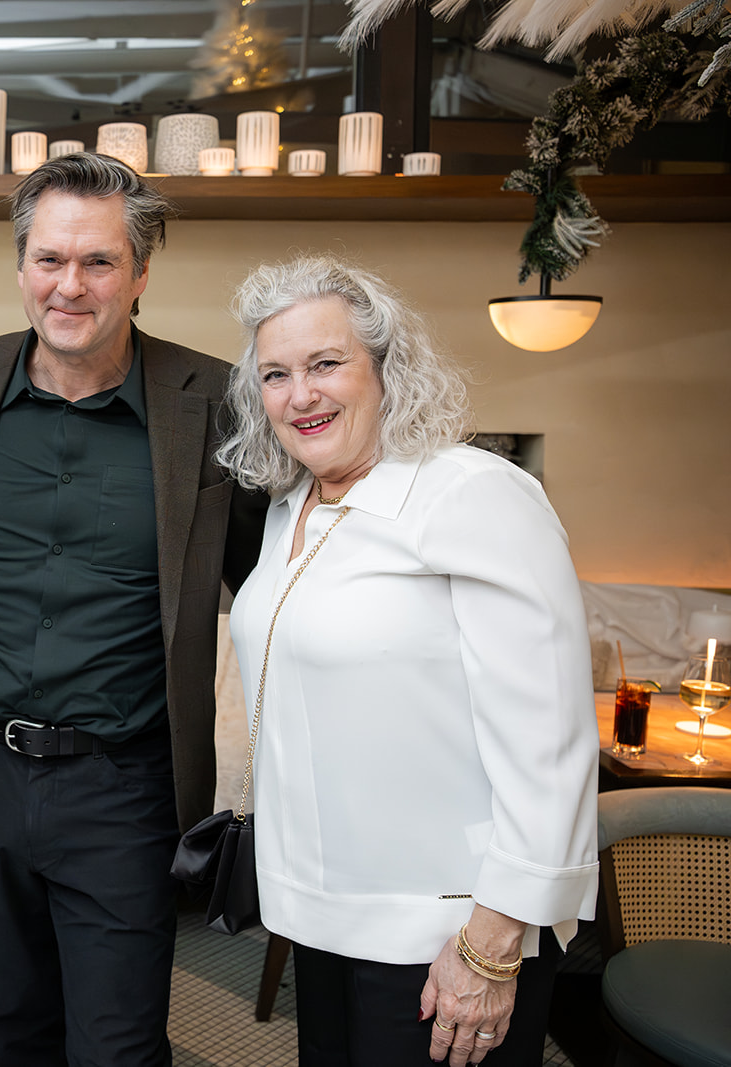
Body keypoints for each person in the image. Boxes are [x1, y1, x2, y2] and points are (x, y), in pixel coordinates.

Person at [0, 151, 266, 1066]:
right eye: (49, 259)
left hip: (124, 786)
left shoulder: (219, 403)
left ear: (142, 273)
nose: (70, 285)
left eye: (99, 262)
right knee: (6, 1032)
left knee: (116, 1046)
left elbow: (276, 578)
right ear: (21, 265)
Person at [215, 254, 598, 1067]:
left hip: (450, 931)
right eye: (276, 375)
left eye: (326, 363)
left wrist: (492, 943)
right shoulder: (291, 506)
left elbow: (550, 742)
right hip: (320, 917)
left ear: (388, 370)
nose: (301, 394)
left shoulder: (471, 493)